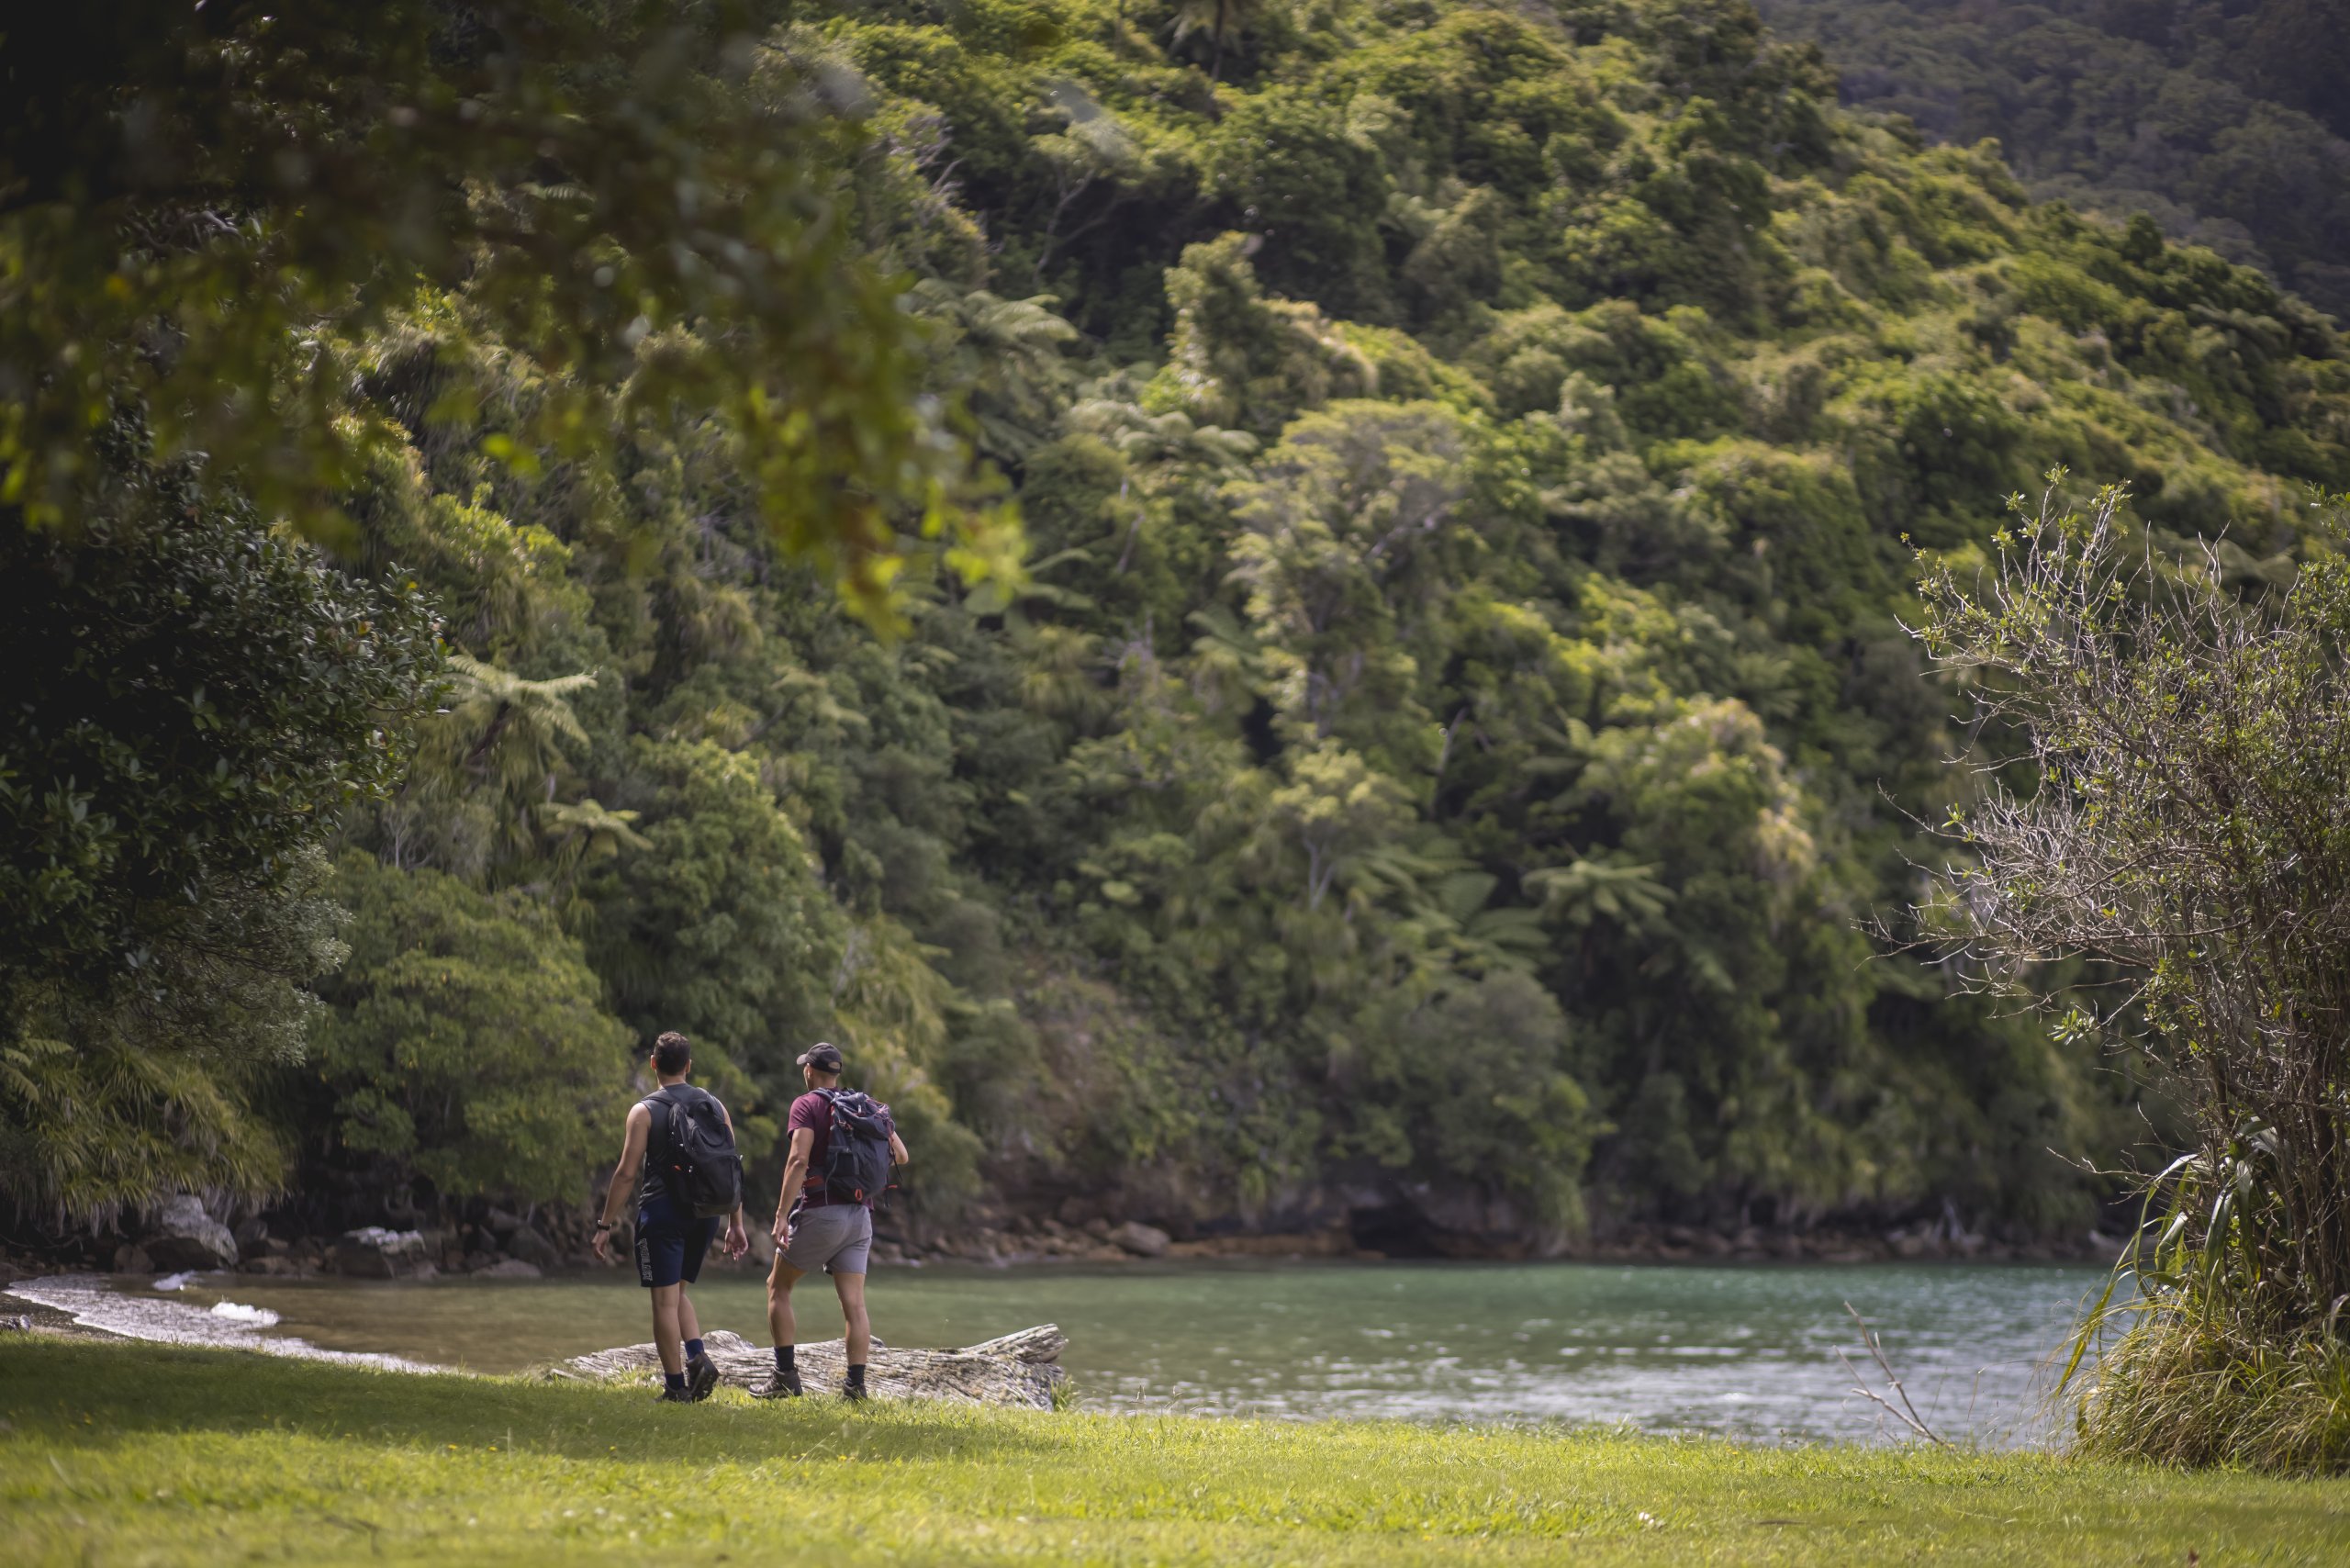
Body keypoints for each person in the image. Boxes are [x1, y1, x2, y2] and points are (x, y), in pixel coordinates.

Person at [591, 1031, 748, 1402]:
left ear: (653, 1064)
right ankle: (697, 1356)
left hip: (662, 1214)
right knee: (677, 1292)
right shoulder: (715, 1106)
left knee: (663, 1301)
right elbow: (729, 1170)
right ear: (689, 1066)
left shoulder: (644, 1111)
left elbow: (627, 1173)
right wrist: (736, 1223)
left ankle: (675, 1388)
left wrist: (604, 1225)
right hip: (706, 1214)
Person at [756, 1041, 907, 1401]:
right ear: (837, 1074)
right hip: (861, 1217)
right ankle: (855, 1387)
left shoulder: (806, 1104)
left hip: (822, 1211)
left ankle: (785, 1377)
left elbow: (797, 1161)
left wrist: (780, 1216)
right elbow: (901, 1154)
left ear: (809, 1070)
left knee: (778, 1287)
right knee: (855, 1305)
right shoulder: (865, 1105)